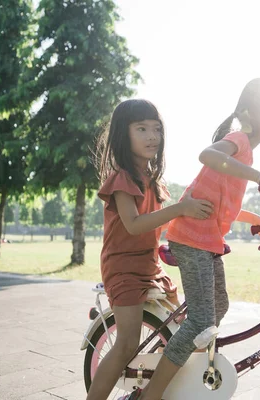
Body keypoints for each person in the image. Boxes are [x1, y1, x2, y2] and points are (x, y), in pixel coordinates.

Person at [123, 78, 260, 400]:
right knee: (203, 320)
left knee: (219, 306)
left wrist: (259, 220)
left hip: (207, 239)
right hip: (192, 238)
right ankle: (152, 395)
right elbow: (207, 154)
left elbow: (225, 206)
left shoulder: (245, 156)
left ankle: (179, 350)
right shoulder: (239, 141)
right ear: (254, 112)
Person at [86, 99, 214, 400]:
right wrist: (181, 208)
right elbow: (133, 224)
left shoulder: (152, 180)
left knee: (184, 326)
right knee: (127, 343)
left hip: (149, 265)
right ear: (123, 134)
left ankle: (153, 378)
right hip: (123, 267)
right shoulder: (122, 178)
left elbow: (158, 225)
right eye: (141, 128)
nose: (151, 136)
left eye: (156, 129)